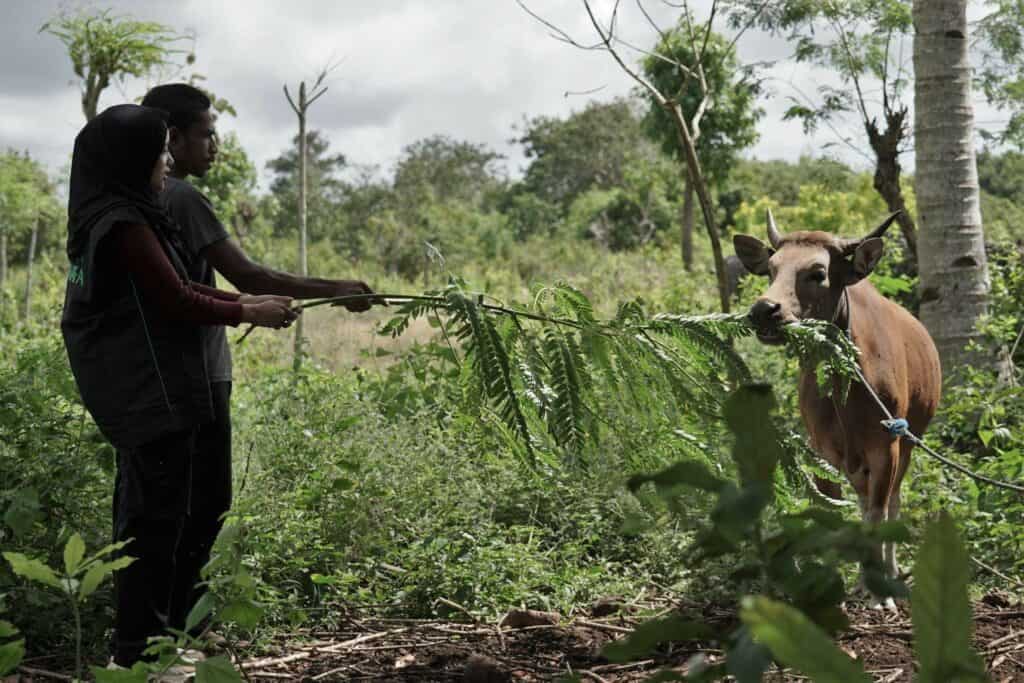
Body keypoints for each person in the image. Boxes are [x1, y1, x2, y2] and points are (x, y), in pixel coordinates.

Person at [61, 103, 298, 667]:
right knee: (153, 530)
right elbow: (175, 298)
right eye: (159, 151)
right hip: (150, 397)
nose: (167, 161)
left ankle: (159, 650)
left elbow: (180, 285)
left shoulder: (125, 215)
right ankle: (135, 658)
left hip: (153, 393)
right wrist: (247, 312)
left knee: (163, 522)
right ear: (133, 159)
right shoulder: (123, 226)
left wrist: (244, 302)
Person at [139, 83, 379, 636]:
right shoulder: (181, 197)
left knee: (167, 505)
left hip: (161, 375)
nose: (215, 145)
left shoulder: (144, 196)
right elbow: (249, 277)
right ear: (171, 138)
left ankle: (159, 632)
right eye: (206, 133)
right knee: (202, 506)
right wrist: (335, 287)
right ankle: (180, 632)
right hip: (197, 375)